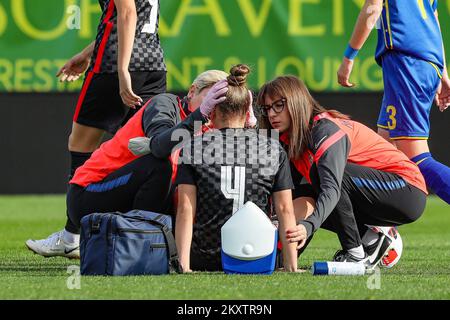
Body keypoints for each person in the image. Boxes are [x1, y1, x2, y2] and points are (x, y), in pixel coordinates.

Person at [26, 69, 236, 259]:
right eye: (210, 99)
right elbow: (160, 147)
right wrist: (199, 116)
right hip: (88, 194)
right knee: (159, 165)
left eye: (220, 103)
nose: (213, 109)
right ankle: (140, 247)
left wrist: (242, 126)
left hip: (131, 195)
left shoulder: (208, 128)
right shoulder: (164, 103)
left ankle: (168, 249)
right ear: (191, 92)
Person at [257, 75, 427, 265]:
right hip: (370, 195)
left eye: (278, 105)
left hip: (407, 189)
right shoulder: (286, 140)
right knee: (298, 192)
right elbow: (285, 197)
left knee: (328, 179)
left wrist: (309, 226)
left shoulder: (323, 129)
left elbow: (331, 189)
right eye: (266, 108)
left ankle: (355, 254)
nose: (271, 114)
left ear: (297, 101)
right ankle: (370, 239)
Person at [175, 65, 298, 272]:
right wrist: (291, 266)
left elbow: (186, 209)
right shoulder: (273, 149)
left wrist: (184, 267)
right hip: (259, 258)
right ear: (248, 111)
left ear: (212, 111)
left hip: (206, 259)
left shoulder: (193, 148)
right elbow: (285, 209)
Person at [337, 0, 450, 204]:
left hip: (407, 62)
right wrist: (443, 72)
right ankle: (379, 228)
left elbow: (373, 7)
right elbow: (434, 17)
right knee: (383, 151)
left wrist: (348, 57)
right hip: (424, 61)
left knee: (417, 159)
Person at [58, 0, 167, 181]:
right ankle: (146, 207)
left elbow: (127, 13)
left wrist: (122, 70)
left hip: (112, 66)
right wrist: (86, 54)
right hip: (153, 64)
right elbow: (131, 20)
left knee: (81, 145)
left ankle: (79, 208)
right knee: (145, 147)